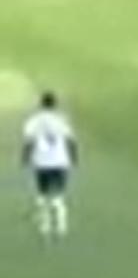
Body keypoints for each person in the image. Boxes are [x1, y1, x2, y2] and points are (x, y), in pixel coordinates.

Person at [21, 91, 79, 239]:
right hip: (60, 161)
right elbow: (71, 141)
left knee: (42, 193)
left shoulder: (34, 121)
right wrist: (74, 158)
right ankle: (61, 226)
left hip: (41, 162)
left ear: (41, 104)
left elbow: (29, 142)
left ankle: (44, 226)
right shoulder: (62, 120)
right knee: (59, 194)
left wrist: (25, 158)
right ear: (55, 104)